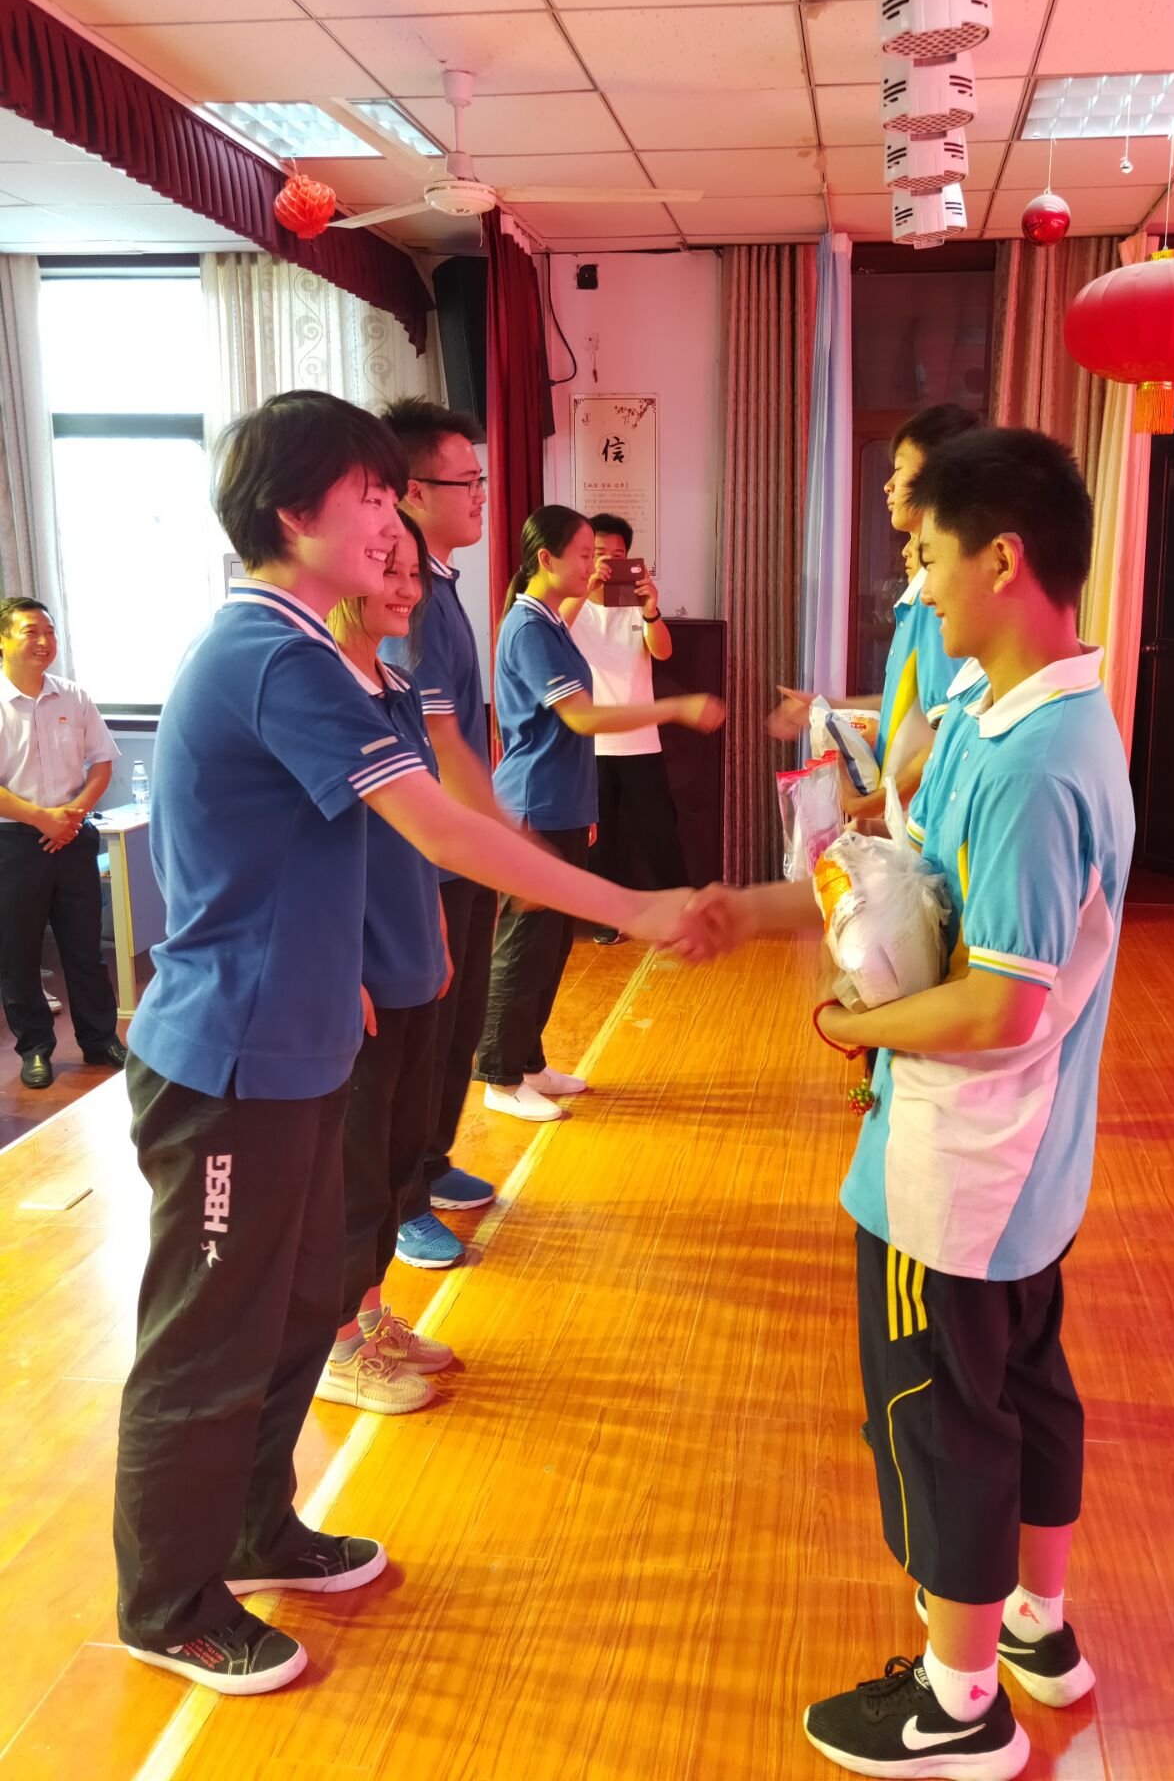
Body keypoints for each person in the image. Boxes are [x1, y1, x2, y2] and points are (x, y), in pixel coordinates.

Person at [114, 392, 708, 1699]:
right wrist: (634, 908)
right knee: (209, 1334)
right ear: (292, 516)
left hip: (298, 1045)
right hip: (225, 1062)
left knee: (291, 1313)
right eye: (370, 496)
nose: (393, 522)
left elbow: (377, 833)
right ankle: (166, 1602)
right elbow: (443, 830)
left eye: (396, 495)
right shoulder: (269, 653)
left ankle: (258, 1530)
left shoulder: (321, 652)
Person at [690, 428, 1135, 1780]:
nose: (918, 584)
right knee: (1027, 1393)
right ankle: (1035, 1630)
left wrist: (852, 1026)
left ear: (1004, 559)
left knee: (941, 1423)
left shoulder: (1031, 761)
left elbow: (999, 1005)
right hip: (1030, 1172)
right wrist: (758, 910)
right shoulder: (1027, 714)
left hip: (958, 1173)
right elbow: (918, 888)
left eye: (930, 555)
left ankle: (957, 1704)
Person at [475, 506, 724, 1123]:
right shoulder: (529, 627)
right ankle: (499, 1076)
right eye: (585, 555)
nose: (596, 566)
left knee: (553, 944)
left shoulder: (551, 621)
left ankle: (528, 1061)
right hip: (533, 805)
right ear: (546, 560)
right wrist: (676, 708)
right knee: (526, 944)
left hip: (560, 802)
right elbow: (583, 717)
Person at [319, 515, 456, 1415]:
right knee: (355, 1171)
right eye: (389, 570)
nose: (408, 588)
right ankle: (337, 1345)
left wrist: (436, 928)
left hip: (415, 959)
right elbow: (311, 852)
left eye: (414, 574)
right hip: (360, 976)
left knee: (402, 1156)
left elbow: (423, 830)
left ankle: (372, 1317)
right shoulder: (323, 694)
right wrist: (342, 971)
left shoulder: (399, 687)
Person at [378, 398, 498, 1274]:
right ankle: (401, 1203)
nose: (481, 495)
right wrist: (500, 843)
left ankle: (430, 1161)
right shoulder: (409, 600)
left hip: (465, 848)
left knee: (458, 1024)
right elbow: (437, 744)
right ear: (413, 492)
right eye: (468, 481)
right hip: (433, 856)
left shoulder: (443, 588)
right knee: (422, 1036)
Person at [771, 404, 979, 821]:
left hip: (916, 817)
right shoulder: (921, 597)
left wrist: (871, 806)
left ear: (939, 475)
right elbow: (909, 702)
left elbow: (948, 734)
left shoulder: (934, 602)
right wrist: (827, 705)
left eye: (899, 469)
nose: (888, 486)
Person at [0, 596, 126, 1089]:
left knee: (85, 949)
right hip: (12, 842)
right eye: (31, 631)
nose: (44, 641)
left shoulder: (73, 696)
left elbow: (102, 763)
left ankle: (100, 1039)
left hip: (73, 836)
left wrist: (70, 817)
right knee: (18, 953)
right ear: (3, 641)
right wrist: (42, 818)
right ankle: (35, 1048)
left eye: (49, 631)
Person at [562, 512, 689, 944]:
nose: (608, 562)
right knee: (601, 839)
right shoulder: (571, 605)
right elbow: (555, 630)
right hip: (590, 743)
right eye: (598, 553)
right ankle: (606, 920)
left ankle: (680, 913)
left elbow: (664, 651)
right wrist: (587, 587)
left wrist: (651, 610)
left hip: (640, 740)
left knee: (659, 831)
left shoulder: (636, 603)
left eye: (618, 555)